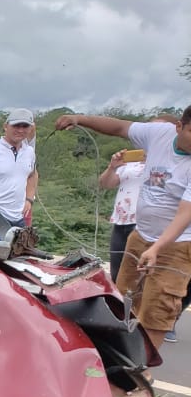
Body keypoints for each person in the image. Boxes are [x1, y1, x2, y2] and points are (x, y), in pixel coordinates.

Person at [55, 107, 191, 350]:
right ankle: (118, 352)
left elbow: (185, 214)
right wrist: (79, 118)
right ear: (179, 127)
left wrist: (158, 247)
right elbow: (118, 127)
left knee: (158, 307)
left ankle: (142, 370)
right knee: (124, 296)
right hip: (139, 236)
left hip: (177, 245)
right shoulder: (159, 133)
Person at [98, 148, 145, 281]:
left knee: (138, 274)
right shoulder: (130, 162)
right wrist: (112, 167)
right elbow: (105, 184)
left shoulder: (163, 161)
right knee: (117, 272)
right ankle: (118, 301)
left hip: (143, 223)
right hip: (121, 222)